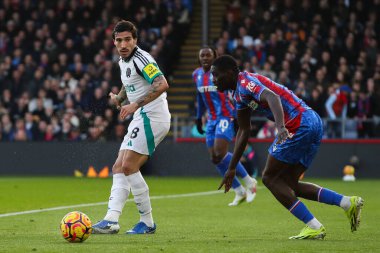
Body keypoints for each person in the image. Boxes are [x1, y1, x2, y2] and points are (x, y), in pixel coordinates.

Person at [213, 55, 364, 239]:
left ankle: (314, 226)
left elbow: (272, 96)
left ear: (229, 73)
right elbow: (244, 131)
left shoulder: (245, 82)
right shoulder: (238, 95)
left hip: (297, 123)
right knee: (289, 184)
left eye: (216, 75)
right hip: (312, 121)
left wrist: (280, 126)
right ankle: (348, 203)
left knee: (269, 178)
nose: (214, 80)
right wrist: (231, 168)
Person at [92, 20, 171, 235]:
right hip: (141, 116)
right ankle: (111, 220)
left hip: (153, 116)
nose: (123, 44)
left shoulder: (141, 58)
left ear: (135, 40)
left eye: (127, 39)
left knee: (128, 166)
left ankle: (147, 222)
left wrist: (135, 104)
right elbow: (130, 84)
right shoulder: (123, 61)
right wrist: (119, 97)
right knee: (119, 167)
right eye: (119, 40)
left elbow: (162, 83)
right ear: (114, 42)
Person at [193, 47, 257, 206]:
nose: (205, 58)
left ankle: (249, 181)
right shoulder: (197, 75)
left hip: (225, 116)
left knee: (220, 153)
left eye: (208, 55)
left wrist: (237, 117)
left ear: (215, 57)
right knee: (215, 158)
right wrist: (198, 117)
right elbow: (200, 98)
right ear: (199, 58)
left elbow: (233, 95)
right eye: (202, 55)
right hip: (211, 120)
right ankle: (239, 191)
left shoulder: (220, 74)